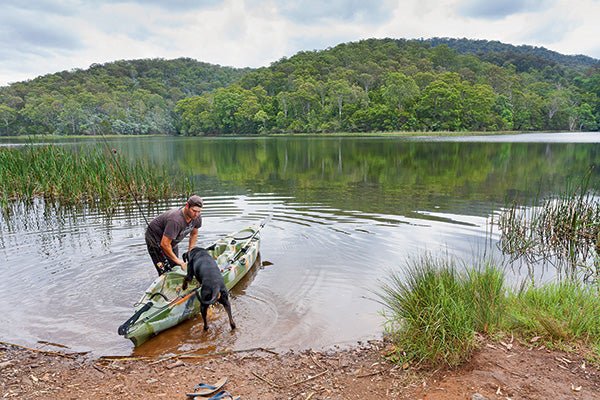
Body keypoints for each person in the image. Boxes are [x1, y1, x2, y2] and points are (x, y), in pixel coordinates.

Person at [145, 195, 203, 275]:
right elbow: (164, 244)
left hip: (171, 239)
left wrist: (190, 252)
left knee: (175, 266)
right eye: (194, 211)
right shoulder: (175, 220)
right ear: (187, 206)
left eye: (199, 211)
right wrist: (180, 262)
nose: (196, 214)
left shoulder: (197, 217)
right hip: (155, 239)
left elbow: (194, 234)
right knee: (165, 271)